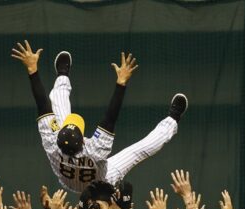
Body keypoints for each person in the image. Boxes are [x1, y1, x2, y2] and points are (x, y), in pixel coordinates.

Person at [12, 40, 187, 192]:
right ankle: (173, 119)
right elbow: (110, 118)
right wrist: (121, 83)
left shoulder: (53, 145)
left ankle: (63, 75)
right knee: (137, 151)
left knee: (57, 107)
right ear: (83, 141)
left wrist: (32, 69)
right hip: (101, 181)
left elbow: (43, 105)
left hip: (67, 182)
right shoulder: (93, 150)